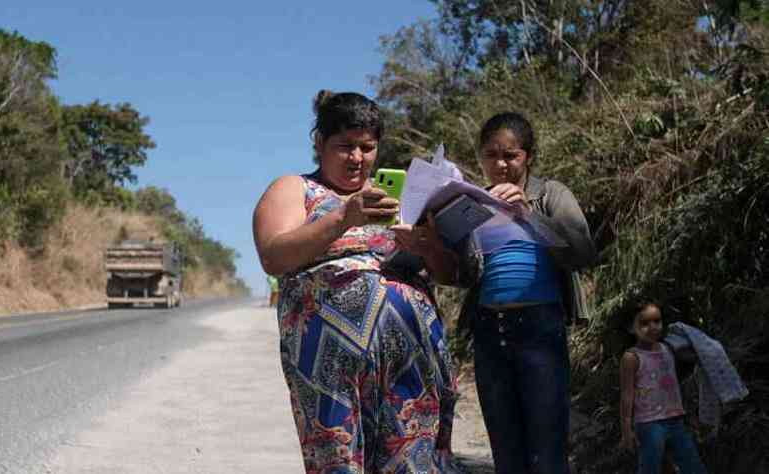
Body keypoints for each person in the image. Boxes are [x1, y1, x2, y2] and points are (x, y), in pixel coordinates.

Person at [253, 90, 460, 473]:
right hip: (329, 366)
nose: (357, 158)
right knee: (339, 460)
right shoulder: (294, 188)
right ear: (319, 143)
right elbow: (273, 255)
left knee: (414, 461)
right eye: (345, 146)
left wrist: (429, 247)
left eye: (367, 147)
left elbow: (450, 274)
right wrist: (343, 217)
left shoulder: (402, 196)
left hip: (412, 363)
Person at [394, 111, 596, 474]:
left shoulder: (550, 195)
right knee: (506, 449)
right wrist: (430, 243)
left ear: (528, 156)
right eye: (491, 155)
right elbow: (462, 276)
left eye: (511, 155)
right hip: (489, 332)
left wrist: (528, 215)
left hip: (540, 329)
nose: (500, 164)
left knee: (547, 448)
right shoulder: (471, 203)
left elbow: (582, 252)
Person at [620, 302, 708, 474]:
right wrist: (626, 429)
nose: (653, 327)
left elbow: (695, 356)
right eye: (644, 323)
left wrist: (708, 350)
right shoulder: (631, 357)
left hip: (675, 419)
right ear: (631, 328)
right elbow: (626, 395)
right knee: (650, 467)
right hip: (649, 424)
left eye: (657, 321)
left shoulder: (669, 347)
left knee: (693, 465)